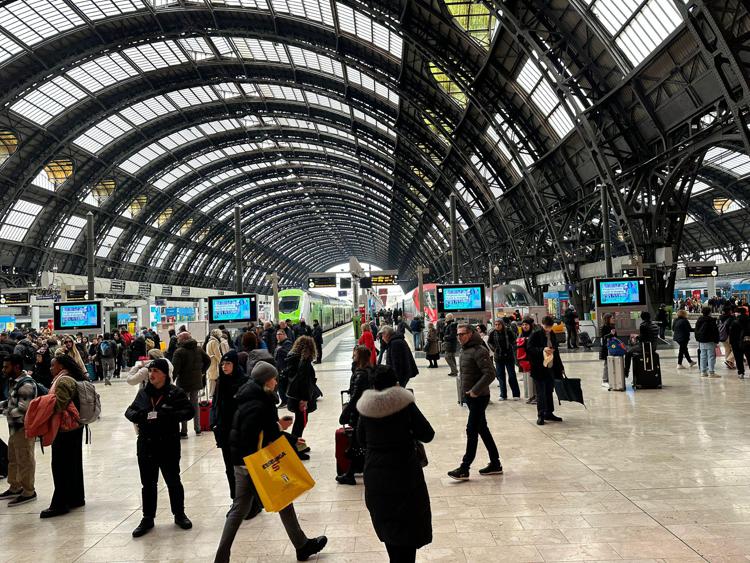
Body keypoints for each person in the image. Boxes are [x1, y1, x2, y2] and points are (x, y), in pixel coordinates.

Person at [214, 361, 328, 563]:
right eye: (274, 378)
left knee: (239, 508)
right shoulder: (258, 402)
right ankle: (302, 546)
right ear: (267, 380)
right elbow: (258, 432)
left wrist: (290, 438)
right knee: (281, 498)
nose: (277, 382)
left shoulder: (249, 395)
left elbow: (260, 429)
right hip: (254, 462)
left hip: (240, 461)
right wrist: (281, 427)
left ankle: (221, 557)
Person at [357, 364, 434, 561]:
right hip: (405, 473)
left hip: (376, 474)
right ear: (396, 383)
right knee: (409, 526)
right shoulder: (405, 403)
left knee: (388, 524)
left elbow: (360, 439)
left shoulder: (365, 408)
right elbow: (427, 433)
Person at [125, 358, 194, 537]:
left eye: (155, 371)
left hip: (168, 444)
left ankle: (179, 514)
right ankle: (148, 517)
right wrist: (140, 415)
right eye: (150, 371)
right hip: (146, 445)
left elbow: (189, 411)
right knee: (148, 483)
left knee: (173, 481)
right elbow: (129, 411)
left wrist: (169, 415)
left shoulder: (174, 392)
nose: (151, 374)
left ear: (164, 374)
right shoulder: (143, 393)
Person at [448, 324, 502, 480]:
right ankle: (495, 463)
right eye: (458, 335)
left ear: (471, 334)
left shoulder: (479, 351)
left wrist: (475, 391)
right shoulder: (465, 350)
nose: (459, 337)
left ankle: (464, 467)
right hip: (471, 397)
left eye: (462, 334)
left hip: (479, 397)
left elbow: (490, 374)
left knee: (471, 430)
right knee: (482, 429)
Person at [42, 354, 87, 518]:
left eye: (53, 365)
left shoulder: (63, 381)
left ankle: (60, 503)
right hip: (75, 427)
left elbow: (59, 405)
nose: (50, 368)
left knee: (60, 466)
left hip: (65, 429)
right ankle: (76, 498)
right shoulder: (71, 377)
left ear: (60, 366)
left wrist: (43, 405)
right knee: (73, 463)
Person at [210, 350, 249, 500]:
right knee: (229, 468)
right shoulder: (221, 382)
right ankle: (236, 499)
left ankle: (251, 502)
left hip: (240, 433)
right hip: (224, 432)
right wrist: (214, 423)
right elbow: (216, 404)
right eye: (223, 364)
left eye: (228, 363)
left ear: (235, 364)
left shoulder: (244, 381)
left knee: (244, 468)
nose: (224, 366)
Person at [0, 354, 38, 506]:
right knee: (13, 458)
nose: (3, 369)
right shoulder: (14, 382)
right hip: (14, 428)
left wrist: (4, 412)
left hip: (24, 428)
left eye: (6, 366)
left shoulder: (26, 385)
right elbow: (11, 402)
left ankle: (28, 491)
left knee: (25, 460)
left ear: (16, 367)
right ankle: (15, 486)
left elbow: (23, 410)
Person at [336, 345, 373, 485]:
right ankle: (350, 473)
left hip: (359, 413)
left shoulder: (360, 374)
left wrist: (345, 413)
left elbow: (356, 395)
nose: (353, 356)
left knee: (356, 445)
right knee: (357, 444)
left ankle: (350, 474)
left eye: (355, 354)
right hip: (367, 410)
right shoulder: (369, 370)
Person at [171, 332, 210, 437]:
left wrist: (170, 382)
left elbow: (174, 370)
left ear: (183, 339)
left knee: (183, 406)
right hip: (196, 381)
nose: (177, 340)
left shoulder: (179, 352)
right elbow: (208, 360)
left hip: (183, 383)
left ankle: (184, 431)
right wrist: (202, 371)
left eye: (179, 338)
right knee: (195, 405)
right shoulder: (198, 349)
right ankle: (198, 429)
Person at [527, 317, 563, 426]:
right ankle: (541, 415)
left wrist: (560, 366)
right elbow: (529, 349)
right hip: (539, 368)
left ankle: (549, 412)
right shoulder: (535, 334)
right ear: (542, 324)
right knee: (541, 393)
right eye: (546, 327)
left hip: (550, 368)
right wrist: (543, 349)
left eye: (550, 327)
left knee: (549, 391)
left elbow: (556, 351)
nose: (548, 329)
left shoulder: (552, 334)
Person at [285, 336, 318, 443]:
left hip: (293, 394)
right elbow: (304, 381)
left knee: (300, 421)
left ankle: (297, 444)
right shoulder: (304, 361)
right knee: (301, 422)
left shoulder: (292, 358)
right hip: (301, 397)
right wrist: (304, 399)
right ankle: (295, 446)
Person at [487, 319, 519, 400]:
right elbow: (489, 342)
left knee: (512, 375)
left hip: (509, 356)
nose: (497, 326)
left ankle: (516, 394)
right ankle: (503, 395)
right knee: (501, 376)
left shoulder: (508, 331)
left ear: (502, 324)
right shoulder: (492, 332)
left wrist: (512, 348)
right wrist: (494, 349)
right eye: (496, 324)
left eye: (499, 324)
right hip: (498, 357)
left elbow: (514, 340)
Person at [695, 306, 720, 378]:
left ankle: (703, 372)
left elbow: (696, 331)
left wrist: (698, 339)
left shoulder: (699, 320)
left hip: (701, 341)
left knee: (703, 356)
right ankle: (711, 372)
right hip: (710, 340)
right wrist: (716, 340)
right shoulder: (711, 320)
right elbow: (715, 331)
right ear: (709, 312)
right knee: (711, 356)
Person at [206, 329, 230, 400]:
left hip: (211, 363)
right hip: (214, 363)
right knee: (214, 379)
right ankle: (212, 396)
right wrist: (222, 362)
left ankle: (211, 395)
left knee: (212, 379)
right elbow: (218, 354)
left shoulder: (210, 342)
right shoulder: (214, 342)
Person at [274, 328, 293, 408]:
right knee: (280, 385)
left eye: (280, 334)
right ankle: (285, 400)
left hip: (284, 368)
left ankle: (285, 401)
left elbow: (288, 353)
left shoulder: (287, 343)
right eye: (277, 335)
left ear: (284, 335)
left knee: (282, 385)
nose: (278, 336)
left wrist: (281, 350)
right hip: (279, 367)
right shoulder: (279, 344)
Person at [730, 307, 750, 379]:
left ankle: (741, 373)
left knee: (739, 359)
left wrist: (731, 343)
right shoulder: (748, 320)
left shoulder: (735, 321)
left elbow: (731, 334)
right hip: (748, 341)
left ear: (738, 313)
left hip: (736, 343)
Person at [599, 313, 618, 384]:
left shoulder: (612, 327)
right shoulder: (603, 327)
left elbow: (615, 337)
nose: (613, 319)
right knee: (607, 364)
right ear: (608, 319)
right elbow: (603, 337)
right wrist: (610, 334)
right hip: (606, 348)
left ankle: (612, 377)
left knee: (612, 363)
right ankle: (605, 379)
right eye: (612, 318)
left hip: (613, 347)